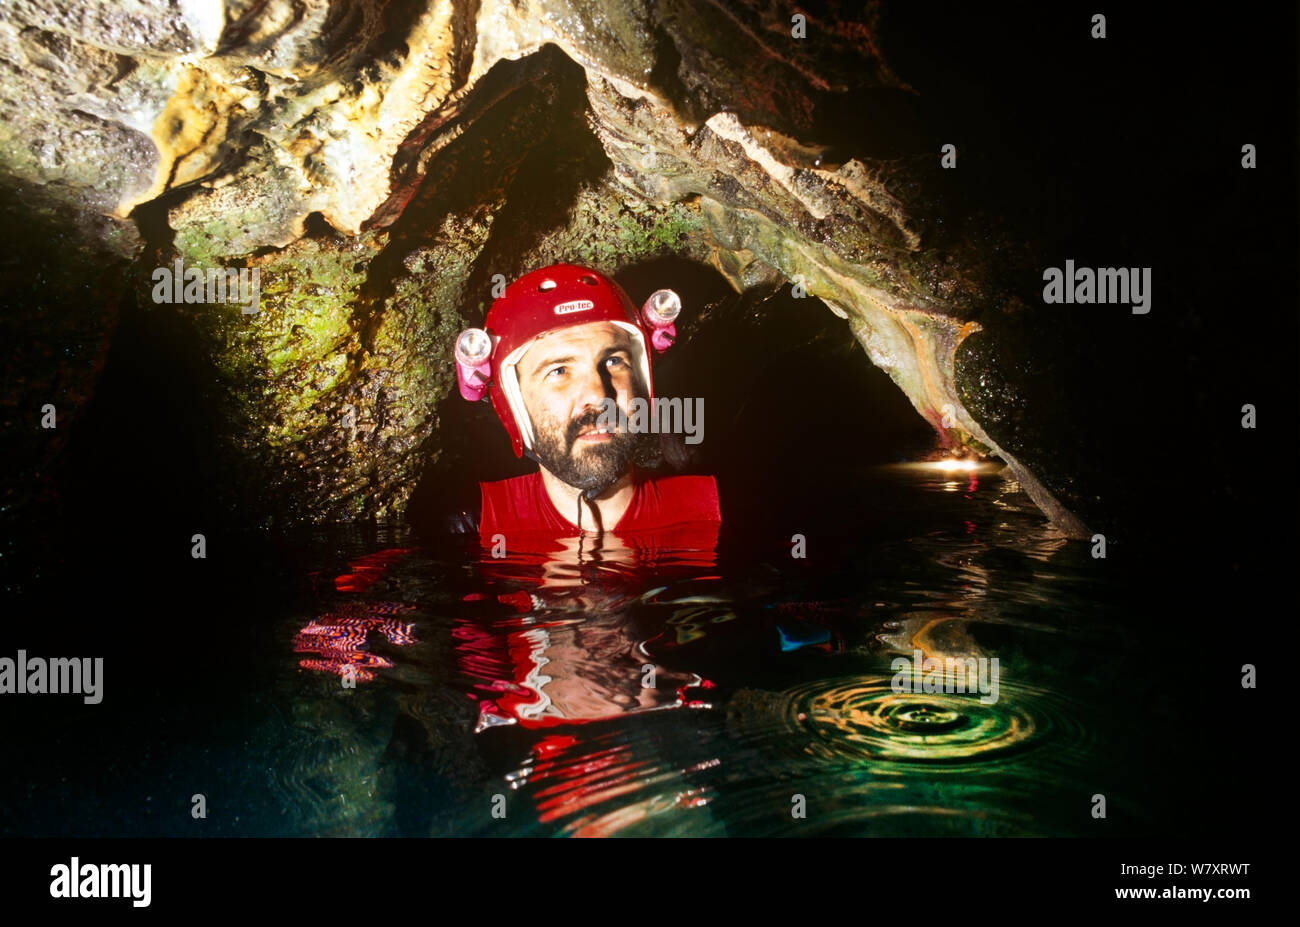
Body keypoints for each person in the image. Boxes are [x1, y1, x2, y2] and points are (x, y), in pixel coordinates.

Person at [454, 263, 721, 554]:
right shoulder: (471, 528)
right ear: (512, 404)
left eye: (613, 361)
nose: (597, 395)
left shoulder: (718, 508)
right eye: (559, 371)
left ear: (642, 384)